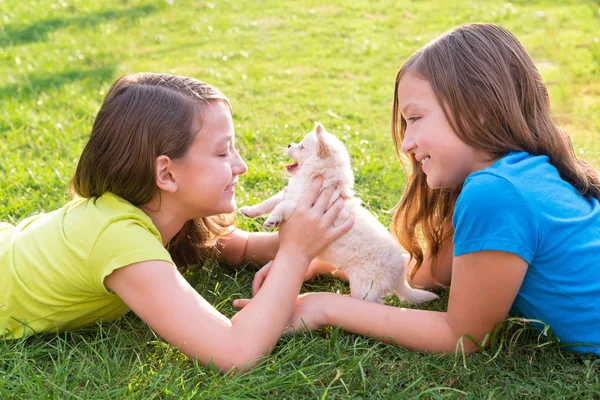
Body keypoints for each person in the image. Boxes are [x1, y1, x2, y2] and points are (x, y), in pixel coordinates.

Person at [236, 23, 600, 355]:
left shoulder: (497, 193)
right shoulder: (518, 177)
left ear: (477, 111)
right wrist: (319, 263)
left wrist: (323, 307)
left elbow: (461, 337)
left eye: (415, 119)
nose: (407, 143)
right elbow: (425, 274)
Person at [0, 72, 354, 370]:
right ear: (166, 173)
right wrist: (294, 255)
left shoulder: (159, 210)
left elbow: (239, 246)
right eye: (222, 152)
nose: (241, 165)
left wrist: (313, 240)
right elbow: (234, 351)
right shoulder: (118, 239)